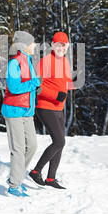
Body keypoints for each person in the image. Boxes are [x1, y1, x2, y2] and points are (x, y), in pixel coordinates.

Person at [29, 31, 75, 189]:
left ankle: (51, 178)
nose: (61, 47)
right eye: (58, 44)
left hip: (59, 108)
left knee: (60, 143)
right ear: (52, 46)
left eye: (64, 45)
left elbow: (66, 82)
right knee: (59, 141)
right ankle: (36, 171)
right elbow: (37, 86)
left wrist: (71, 83)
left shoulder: (65, 62)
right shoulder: (45, 62)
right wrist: (56, 94)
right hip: (45, 106)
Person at [1, 31, 41, 197]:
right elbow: (15, 88)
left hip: (26, 111)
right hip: (14, 111)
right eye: (32, 43)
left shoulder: (29, 62)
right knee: (18, 149)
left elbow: (28, 87)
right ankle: (14, 185)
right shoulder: (14, 64)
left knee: (32, 146)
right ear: (24, 46)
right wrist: (34, 83)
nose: (35, 46)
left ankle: (15, 177)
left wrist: (36, 88)